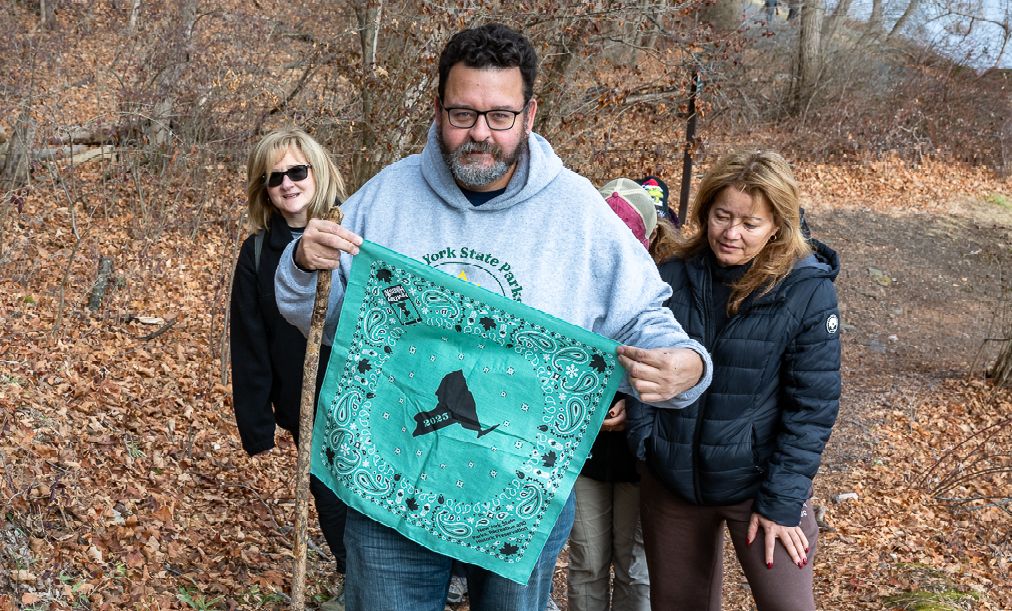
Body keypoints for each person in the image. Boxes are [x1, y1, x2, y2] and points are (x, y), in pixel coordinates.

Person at [274, 23, 712, 611]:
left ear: (530, 114)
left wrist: (686, 366)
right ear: (437, 109)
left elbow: (647, 321)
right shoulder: (387, 197)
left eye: (500, 115)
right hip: (390, 485)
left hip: (520, 495)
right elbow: (314, 313)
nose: (480, 133)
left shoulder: (579, 213)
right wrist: (303, 263)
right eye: (462, 114)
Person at [626, 149, 841, 611]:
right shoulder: (671, 274)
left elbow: (814, 406)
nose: (731, 233)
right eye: (722, 216)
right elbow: (642, 356)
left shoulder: (806, 290)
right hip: (674, 481)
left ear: (779, 225)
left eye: (751, 224)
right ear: (705, 211)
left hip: (759, 483)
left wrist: (782, 500)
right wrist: (647, 442)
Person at [229, 127, 349, 609]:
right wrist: (257, 421)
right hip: (305, 400)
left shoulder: (355, 230)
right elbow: (248, 339)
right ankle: (353, 576)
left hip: (369, 391)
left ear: (316, 172)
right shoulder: (256, 253)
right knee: (328, 493)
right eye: (274, 177)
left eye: (297, 171)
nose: (288, 183)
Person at [566, 178, 659, 611]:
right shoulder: (569, 283)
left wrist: (636, 405)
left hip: (641, 455)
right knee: (587, 560)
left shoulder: (663, 295)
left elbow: (682, 374)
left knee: (634, 565)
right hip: (582, 449)